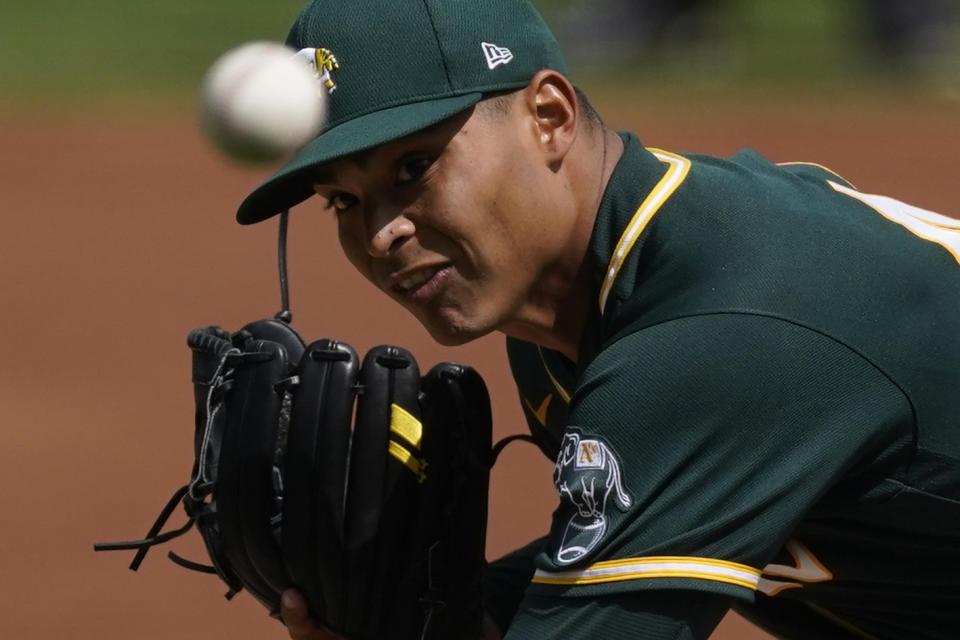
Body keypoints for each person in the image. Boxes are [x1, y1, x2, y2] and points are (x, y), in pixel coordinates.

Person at [234, 1, 960, 638]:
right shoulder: (579, 313)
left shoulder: (711, 336)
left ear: (548, 117)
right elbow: (656, 525)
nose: (381, 231)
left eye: (413, 167)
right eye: (343, 200)